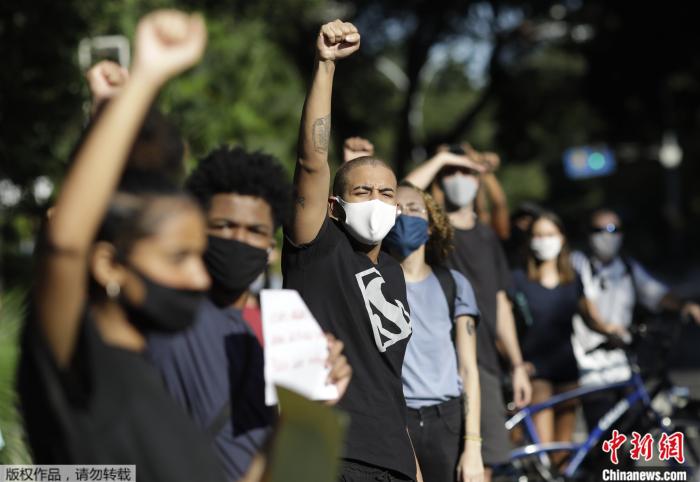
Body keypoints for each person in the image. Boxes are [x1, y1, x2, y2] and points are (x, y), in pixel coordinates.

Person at [17, 10, 227, 481]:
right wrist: (146, 77)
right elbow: (68, 244)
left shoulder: (152, 382)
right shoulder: (76, 364)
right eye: (179, 258)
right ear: (108, 264)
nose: (201, 276)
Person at [146, 146, 352, 481]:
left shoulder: (283, 329)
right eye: (225, 226)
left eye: (255, 231)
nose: (240, 239)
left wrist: (314, 403)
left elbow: (295, 469)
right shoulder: (159, 314)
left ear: (271, 249)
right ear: (197, 231)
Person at [282, 19, 422, 482]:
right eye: (362, 192)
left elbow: (388, 383)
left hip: (394, 462)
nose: (378, 202)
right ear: (334, 207)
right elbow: (312, 159)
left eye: (387, 193)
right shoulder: (316, 247)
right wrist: (325, 65)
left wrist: (414, 465)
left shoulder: (396, 275)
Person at [404, 150, 531, 482]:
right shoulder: (427, 227)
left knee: (478, 469)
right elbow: (402, 191)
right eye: (452, 172)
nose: (460, 179)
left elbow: (502, 303)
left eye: (467, 173)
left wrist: (516, 364)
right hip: (439, 368)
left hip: (484, 364)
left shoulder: (489, 235)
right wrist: (441, 158)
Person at [383, 183, 484, 482]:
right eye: (395, 209)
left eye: (414, 209)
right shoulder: (374, 285)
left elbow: (468, 369)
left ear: (430, 226)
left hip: (448, 423)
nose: (404, 216)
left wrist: (473, 446)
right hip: (397, 423)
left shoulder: (454, 284)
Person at [509, 211, 623, 463]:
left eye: (549, 234)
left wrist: (612, 331)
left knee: (564, 454)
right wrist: (516, 363)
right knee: (544, 452)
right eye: (538, 235)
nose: (544, 240)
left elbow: (591, 317)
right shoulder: (517, 279)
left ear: (561, 238)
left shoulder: (573, 276)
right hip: (535, 372)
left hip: (567, 370)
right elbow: (503, 327)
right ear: (529, 240)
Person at [571, 208, 700, 430]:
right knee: (602, 438)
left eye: (614, 230)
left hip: (622, 362)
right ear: (587, 233)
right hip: (589, 365)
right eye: (599, 230)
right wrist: (605, 328)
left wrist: (685, 306)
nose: (607, 236)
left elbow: (656, 294)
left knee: (633, 431)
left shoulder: (627, 268)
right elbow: (586, 305)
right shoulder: (578, 263)